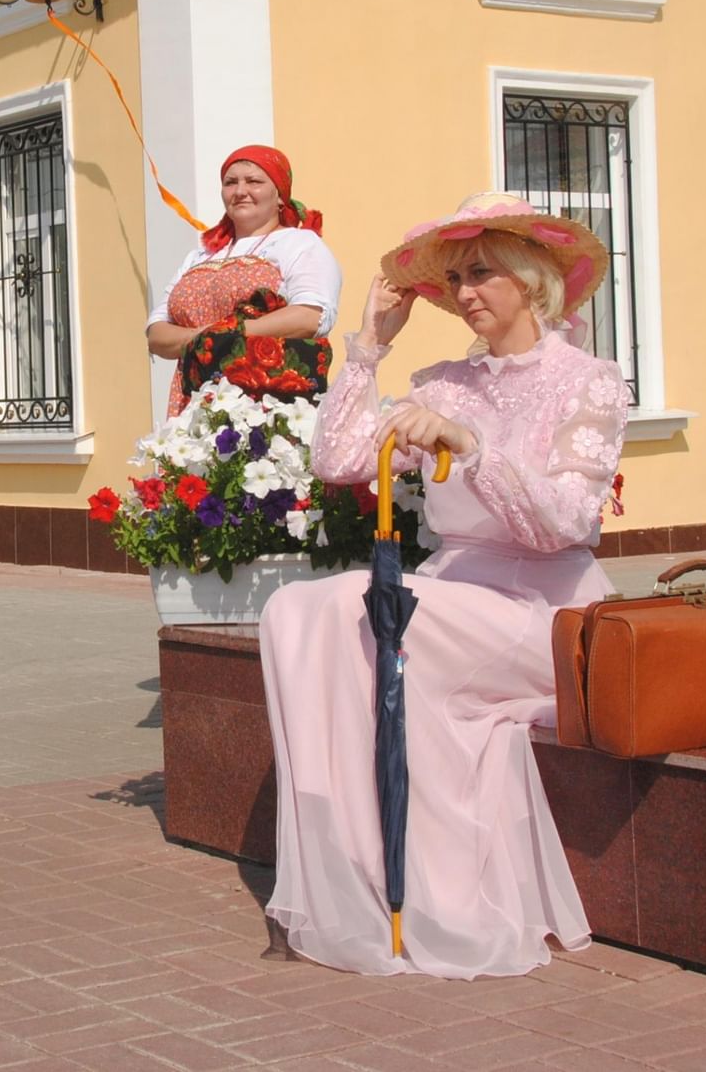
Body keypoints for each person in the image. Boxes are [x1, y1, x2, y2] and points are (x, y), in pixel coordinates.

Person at [258, 191, 628, 978]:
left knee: (393, 621)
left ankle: (447, 894)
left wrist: (474, 448)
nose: (463, 293)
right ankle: (359, 869)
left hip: (544, 608)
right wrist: (368, 347)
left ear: (532, 280)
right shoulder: (443, 381)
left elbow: (563, 520)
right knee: (297, 609)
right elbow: (341, 462)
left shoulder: (590, 382)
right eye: (455, 277)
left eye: (482, 273)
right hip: (452, 593)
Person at [145, 144, 342, 415]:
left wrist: (223, 338)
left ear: (280, 195)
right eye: (230, 182)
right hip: (193, 405)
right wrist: (207, 339)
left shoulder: (298, 244)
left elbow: (311, 316)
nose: (240, 191)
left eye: (254, 181)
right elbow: (156, 333)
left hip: (266, 405)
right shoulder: (199, 256)